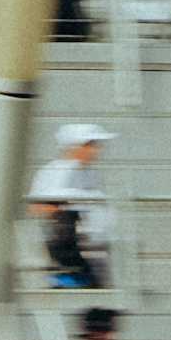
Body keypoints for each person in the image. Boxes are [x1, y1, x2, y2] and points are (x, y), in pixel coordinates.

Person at [29, 124, 114, 289]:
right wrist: (68, 210)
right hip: (64, 244)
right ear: (75, 146)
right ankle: (67, 275)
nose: (95, 151)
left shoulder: (90, 173)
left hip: (92, 245)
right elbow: (37, 207)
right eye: (90, 145)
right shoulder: (55, 171)